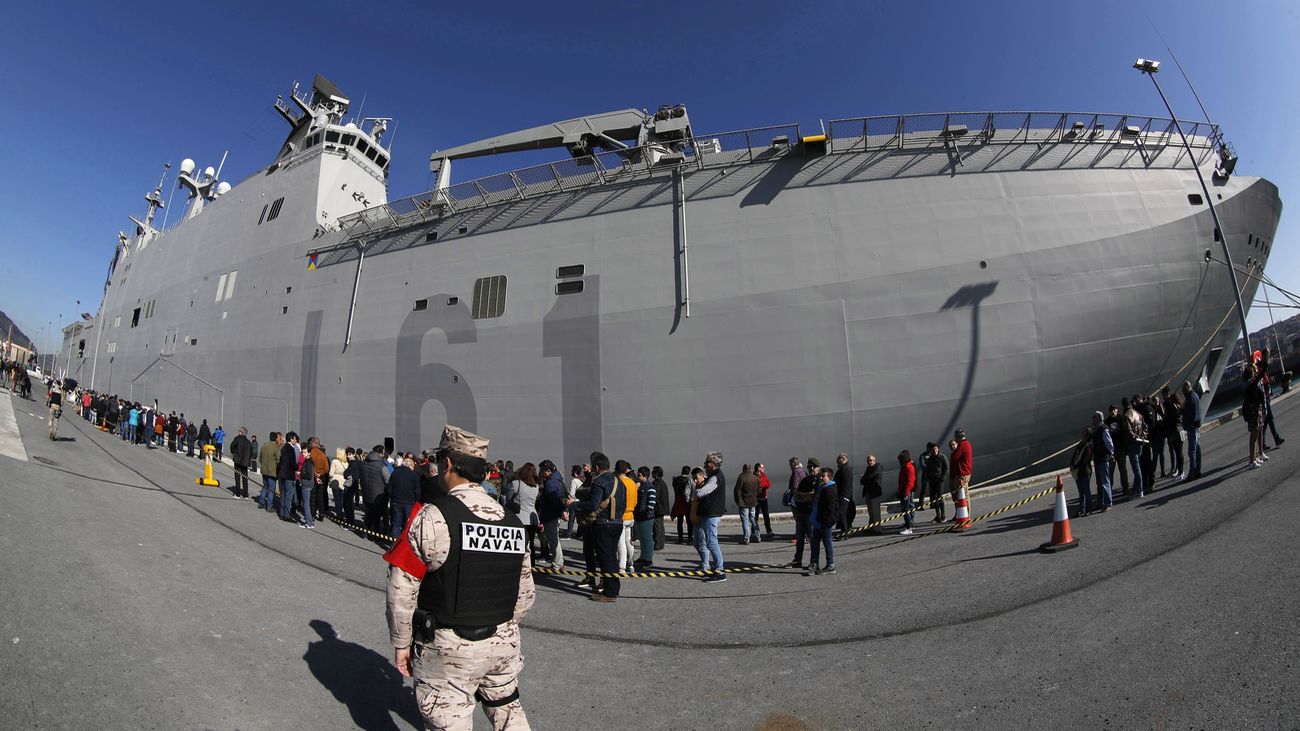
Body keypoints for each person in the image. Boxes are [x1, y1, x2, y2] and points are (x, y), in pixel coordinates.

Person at [385, 425, 534, 730]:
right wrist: (501, 626)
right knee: (509, 713)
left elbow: (402, 587)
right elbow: (526, 594)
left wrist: (401, 644)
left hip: (450, 647)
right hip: (503, 644)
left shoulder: (432, 517)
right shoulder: (512, 523)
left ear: (448, 464)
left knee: (448, 721)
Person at [576, 451, 625, 601]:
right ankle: (614, 588)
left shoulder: (599, 482)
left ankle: (609, 593)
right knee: (612, 557)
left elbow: (593, 504)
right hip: (618, 523)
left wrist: (575, 505)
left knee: (605, 558)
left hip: (603, 524)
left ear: (596, 467)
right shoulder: (620, 482)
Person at [693, 452, 727, 582]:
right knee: (709, 541)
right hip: (709, 513)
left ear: (712, 464)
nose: (705, 465)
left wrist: (696, 492)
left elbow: (702, 492)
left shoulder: (715, 477)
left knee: (712, 542)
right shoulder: (715, 476)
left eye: (707, 463)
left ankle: (720, 570)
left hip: (711, 513)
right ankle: (716, 568)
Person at [807, 467, 839, 575]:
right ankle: (814, 563)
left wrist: (823, 519)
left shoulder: (831, 489)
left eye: (823, 476)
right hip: (817, 520)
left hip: (825, 521)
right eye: (820, 476)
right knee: (815, 543)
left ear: (830, 477)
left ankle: (830, 564)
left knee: (827, 542)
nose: (821, 478)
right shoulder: (822, 486)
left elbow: (829, 508)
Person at [788, 458, 818, 568]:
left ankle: (814, 561)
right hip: (802, 510)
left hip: (811, 512)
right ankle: (798, 560)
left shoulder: (819, 480)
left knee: (812, 537)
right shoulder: (806, 478)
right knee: (800, 537)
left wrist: (804, 496)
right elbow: (798, 495)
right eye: (809, 467)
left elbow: (797, 492)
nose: (811, 469)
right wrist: (808, 495)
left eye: (813, 467)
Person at [536, 460, 566, 568]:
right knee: (555, 539)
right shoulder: (558, 480)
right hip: (554, 514)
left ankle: (557, 563)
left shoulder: (550, 482)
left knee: (553, 540)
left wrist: (560, 512)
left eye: (542, 470)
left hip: (550, 515)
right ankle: (559, 561)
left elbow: (553, 500)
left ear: (548, 471)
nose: (541, 472)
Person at [510, 463, 541, 560]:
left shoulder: (516, 483)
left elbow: (508, 498)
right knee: (530, 543)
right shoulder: (536, 487)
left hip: (520, 517)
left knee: (519, 543)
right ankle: (532, 565)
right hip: (533, 518)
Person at [361, 445, 392, 536]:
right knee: (377, 517)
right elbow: (388, 480)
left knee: (368, 514)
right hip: (379, 495)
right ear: (380, 453)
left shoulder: (364, 463)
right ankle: (376, 535)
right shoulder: (382, 466)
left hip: (366, 493)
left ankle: (365, 533)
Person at [388, 455, 421, 540]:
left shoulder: (394, 473)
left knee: (396, 524)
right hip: (409, 503)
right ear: (410, 466)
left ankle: (394, 544)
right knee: (407, 525)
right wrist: (417, 500)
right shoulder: (413, 475)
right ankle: (404, 543)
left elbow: (389, 488)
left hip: (396, 501)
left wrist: (392, 497)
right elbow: (417, 490)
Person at [614, 460, 638, 573]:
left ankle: (621, 567)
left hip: (621, 516)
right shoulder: (632, 483)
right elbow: (635, 501)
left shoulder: (618, 483)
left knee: (621, 542)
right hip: (631, 515)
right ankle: (631, 564)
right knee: (628, 541)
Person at [632, 465, 658, 568]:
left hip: (646, 517)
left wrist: (646, 512)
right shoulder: (639, 486)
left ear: (645, 476)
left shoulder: (650, 487)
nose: (638, 477)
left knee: (647, 539)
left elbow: (651, 503)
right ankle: (643, 558)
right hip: (639, 516)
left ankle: (648, 560)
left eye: (639, 475)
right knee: (642, 539)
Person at [1243, 363, 1267, 468]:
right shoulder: (1250, 384)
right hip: (1253, 412)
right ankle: (1251, 461)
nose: (1255, 374)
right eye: (1253, 372)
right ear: (1250, 375)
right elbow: (1260, 375)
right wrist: (1264, 365)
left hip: (1255, 410)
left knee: (1257, 433)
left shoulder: (1249, 384)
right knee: (1254, 435)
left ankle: (1254, 457)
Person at [1260, 348, 1285, 448]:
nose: (1268, 357)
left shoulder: (1264, 365)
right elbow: (1261, 381)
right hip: (1264, 396)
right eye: (1267, 355)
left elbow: (1264, 380)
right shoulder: (1262, 365)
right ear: (1264, 355)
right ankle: (1276, 439)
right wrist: (1268, 382)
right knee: (1270, 418)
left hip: (1266, 395)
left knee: (1267, 421)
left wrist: (1269, 381)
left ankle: (1263, 442)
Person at [1090, 411, 1114, 513]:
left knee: (1105, 482)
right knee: (1099, 483)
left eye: (1094, 417)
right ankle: (1100, 503)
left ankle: (1108, 503)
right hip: (1098, 459)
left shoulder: (1103, 429)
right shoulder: (1097, 430)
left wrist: (1111, 454)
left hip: (1103, 458)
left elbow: (1109, 444)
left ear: (1099, 418)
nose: (1092, 419)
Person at [1122, 398, 1147, 496]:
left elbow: (1128, 432)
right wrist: (1142, 437)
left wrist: (1135, 437)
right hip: (1140, 443)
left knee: (1136, 469)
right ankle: (1136, 488)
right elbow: (1145, 427)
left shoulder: (1126, 416)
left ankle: (1139, 490)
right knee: (1138, 467)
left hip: (1132, 444)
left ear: (1124, 405)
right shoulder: (1138, 414)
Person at [919, 443, 948, 523]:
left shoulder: (942, 457)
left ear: (938, 449)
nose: (934, 451)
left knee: (940, 497)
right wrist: (928, 477)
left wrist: (942, 477)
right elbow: (927, 469)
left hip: (939, 480)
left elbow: (946, 468)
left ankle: (943, 516)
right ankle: (937, 515)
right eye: (933, 450)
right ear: (930, 451)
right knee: (934, 498)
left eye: (936, 449)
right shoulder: (929, 459)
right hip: (932, 480)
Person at [733, 463, 761, 544]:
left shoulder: (741, 477)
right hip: (753, 502)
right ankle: (758, 536)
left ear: (743, 469)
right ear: (750, 469)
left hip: (743, 503)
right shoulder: (756, 478)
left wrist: (737, 501)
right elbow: (759, 490)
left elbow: (737, 491)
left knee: (745, 520)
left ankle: (746, 539)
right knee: (753, 519)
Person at [1069, 428, 1094, 517]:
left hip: (1085, 470)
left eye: (1083, 433)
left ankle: (1088, 509)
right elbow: (1074, 455)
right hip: (1078, 472)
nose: (1081, 434)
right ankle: (1081, 509)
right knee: (1081, 492)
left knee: (1086, 491)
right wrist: (1071, 464)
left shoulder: (1088, 446)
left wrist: (1075, 466)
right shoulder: (1080, 444)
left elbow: (1085, 459)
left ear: (1087, 435)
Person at [949, 429, 973, 519]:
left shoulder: (962, 445)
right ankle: (962, 515)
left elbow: (955, 457)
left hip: (962, 474)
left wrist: (955, 451)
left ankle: (965, 516)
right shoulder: (967, 443)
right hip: (964, 472)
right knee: (963, 495)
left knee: (964, 495)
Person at [277, 432, 301, 522]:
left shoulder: (283, 447)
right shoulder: (291, 448)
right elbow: (293, 463)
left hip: (282, 474)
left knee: (283, 495)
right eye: (294, 439)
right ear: (291, 439)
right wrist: (297, 467)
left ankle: (282, 514)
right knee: (289, 496)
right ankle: (287, 515)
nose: (295, 440)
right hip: (289, 475)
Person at [1181, 381, 1203, 480]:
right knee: (1197, 450)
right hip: (1196, 427)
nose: (1182, 392)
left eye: (1183, 390)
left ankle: (1192, 473)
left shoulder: (1190, 398)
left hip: (1192, 427)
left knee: (1192, 451)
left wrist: (1187, 425)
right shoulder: (1195, 396)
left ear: (1186, 388)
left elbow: (1192, 414)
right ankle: (1197, 470)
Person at [258, 432, 282, 512]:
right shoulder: (276, 448)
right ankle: (269, 506)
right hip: (272, 471)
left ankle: (261, 502)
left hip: (264, 470)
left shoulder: (264, 446)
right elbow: (279, 460)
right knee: (271, 489)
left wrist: (264, 465)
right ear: (276, 438)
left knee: (265, 486)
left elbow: (260, 458)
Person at [859, 455, 883, 531]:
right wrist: (867, 479)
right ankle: (871, 527)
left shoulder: (878, 468)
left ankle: (877, 529)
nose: (869, 462)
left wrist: (866, 479)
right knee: (871, 511)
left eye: (871, 460)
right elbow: (862, 480)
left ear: (874, 460)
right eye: (868, 461)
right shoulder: (868, 468)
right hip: (868, 492)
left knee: (875, 511)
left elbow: (871, 477)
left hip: (874, 493)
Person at [308, 437, 330, 519]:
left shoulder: (311, 453)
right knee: (320, 496)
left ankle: (312, 514)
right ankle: (321, 514)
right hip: (322, 477)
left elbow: (310, 466)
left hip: (313, 476)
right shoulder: (323, 455)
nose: (310, 444)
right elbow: (327, 469)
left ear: (314, 443)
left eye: (310, 443)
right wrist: (320, 474)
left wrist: (315, 474)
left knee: (313, 496)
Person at [229, 427, 253, 499]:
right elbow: (251, 453)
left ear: (241, 432)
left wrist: (234, 453)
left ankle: (238, 493)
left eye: (239, 431)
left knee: (237, 477)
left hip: (238, 460)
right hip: (245, 462)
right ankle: (246, 494)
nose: (238, 432)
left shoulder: (237, 439)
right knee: (245, 478)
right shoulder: (249, 442)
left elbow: (232, 446)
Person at [897, 450, 917, 535]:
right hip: (904, 490)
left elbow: (910, 482)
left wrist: (906, 494)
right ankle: (909, 525)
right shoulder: (905, 466)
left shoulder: (909, 467)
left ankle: (909, 528)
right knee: (906, 509)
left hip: (906, 491)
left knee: (906, 510)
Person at [834, 453, 855, 531]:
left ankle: (844, 532)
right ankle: (846, 527)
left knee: (842, 512)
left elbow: (844, 483)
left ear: (843, 459)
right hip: (844, 494)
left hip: (844, 494)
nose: (838, 460)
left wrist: (845, 495)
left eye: (840, 459)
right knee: (845, 512)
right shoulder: (842, 469)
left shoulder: (845, 469)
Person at [671, 466, 692, 544]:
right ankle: (690, 539)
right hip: (686, 501)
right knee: (689, 521)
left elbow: (674, 487)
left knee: (679, 521)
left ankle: (680, 539)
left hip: (678, 501)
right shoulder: (689, 480)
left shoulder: (676, 479)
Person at [754, 463, 774, 539]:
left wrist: (762, 486)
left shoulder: (764, 475)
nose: (764, 469)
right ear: (759, 468)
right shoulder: (754, 476)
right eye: (762, 467)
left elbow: (768, 484)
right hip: (756, 499)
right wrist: (762, 486)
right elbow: (757, 486)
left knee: (766, 515)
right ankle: (754, 531)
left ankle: (769, 531)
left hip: (763, 498)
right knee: (755, 516)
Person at [329, 447, 350, 519]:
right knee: (342, 500)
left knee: (337, 500)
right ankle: (344, 514)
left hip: (335, 481)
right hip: (343, 482)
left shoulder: (334, 461)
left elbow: (331, 473)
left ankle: (339, 515)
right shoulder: (346, 463)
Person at [564, 465, 583, 539]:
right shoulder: (582, 480)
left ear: (575, 471)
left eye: (572, 470)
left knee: (571, 519)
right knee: (580, 520)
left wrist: (568, 496)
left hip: (574, 502)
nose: (571, 472)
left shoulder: (574, 481)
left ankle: (568, 535)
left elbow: (572, 493)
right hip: (580, 502)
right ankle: (579, 534)